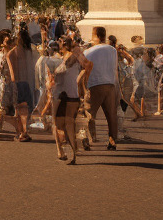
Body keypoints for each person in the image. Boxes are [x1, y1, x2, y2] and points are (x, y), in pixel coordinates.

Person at [83, 26, 119, 150]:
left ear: (96, 36)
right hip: (110, 84)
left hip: (95, 84)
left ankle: (89, 139)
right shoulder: (112, 50)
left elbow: (84, 70)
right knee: (111, 115)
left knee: (89, 114)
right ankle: (112, 140)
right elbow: (115, 69)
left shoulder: (88, 52)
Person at [49, 36, 83, 164]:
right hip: (62, 94)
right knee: (61, 124)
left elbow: (66, 68)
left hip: (67, 95)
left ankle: (68, 151)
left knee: (65, 124)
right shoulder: (59, 59)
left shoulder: (73, 57)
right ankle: (62, 150)